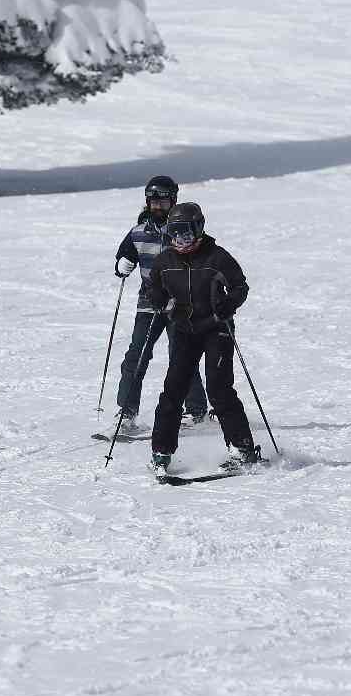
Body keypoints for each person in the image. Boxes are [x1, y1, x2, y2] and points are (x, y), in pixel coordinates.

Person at [146, 203, 263, 475]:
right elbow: (152, 288)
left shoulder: (217, 257)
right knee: (173, 390)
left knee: (219, 389)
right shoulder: (165, 261)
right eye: (174, 234)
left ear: (198, 229)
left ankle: (242, 449)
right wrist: (164, 303)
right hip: (184, 331)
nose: (181, 241)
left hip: (215, 328)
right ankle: (161, 452)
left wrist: (228, 305)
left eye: (186, 234)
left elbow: (239, 286)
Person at [113, 176, 207, 433]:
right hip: (149, 305)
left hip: (181, 306)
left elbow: (204, 258)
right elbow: (125, 257)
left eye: (163, 201)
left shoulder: (185, 229)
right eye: (154, 201)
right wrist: (122, 265)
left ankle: (196, 411)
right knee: (136, 356)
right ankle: (126, 412)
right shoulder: (137, 232)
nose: (158, 206)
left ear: (173, 201)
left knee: (182, 358)